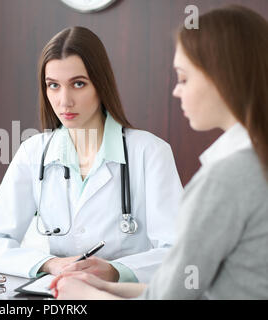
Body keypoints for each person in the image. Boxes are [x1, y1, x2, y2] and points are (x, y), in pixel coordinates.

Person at [50, 5, 268, 299]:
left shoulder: (224, 180)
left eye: (183, 78)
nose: (176, 91)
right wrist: (108, 287)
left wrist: (83, 295)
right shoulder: (254, 163)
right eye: (52, 85)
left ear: (224, 78)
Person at [0, 26, 183, 283]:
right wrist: (50, 263)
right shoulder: (33, 152)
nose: (64, 101)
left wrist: (116, 270)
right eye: (53, 86)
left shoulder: (150, 153)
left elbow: (179, 251)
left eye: (78, 84)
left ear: (101, 85)